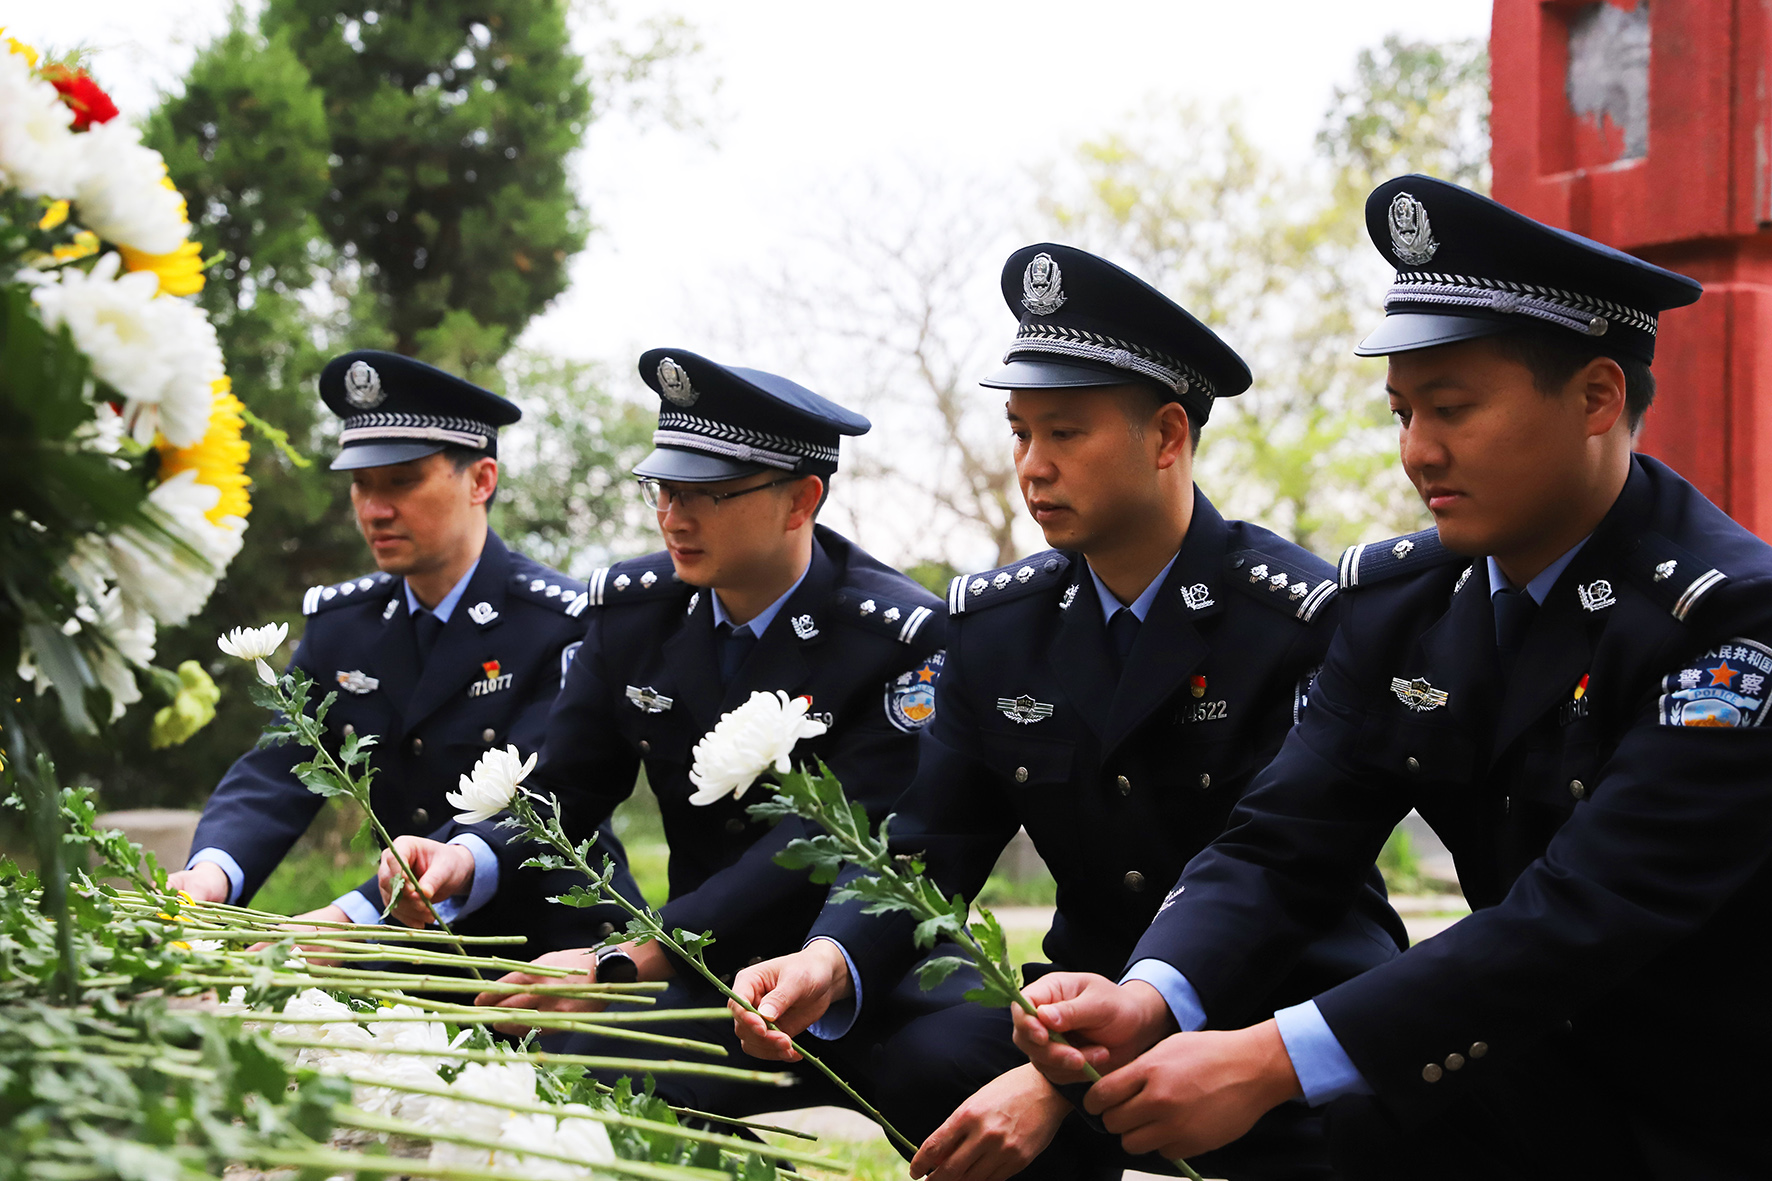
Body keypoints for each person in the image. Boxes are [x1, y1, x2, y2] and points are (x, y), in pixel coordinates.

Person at [1009, 176, 1762, 1180]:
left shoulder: (1725, 616)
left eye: (1451, 409)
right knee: (1375, 1117)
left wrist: (1267, 1058)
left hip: (1723, 1098)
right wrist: (1151, 993)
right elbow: (1284, 839)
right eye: (1402, 411)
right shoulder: (1404, 604)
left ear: (1596, 397)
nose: (1416, 451)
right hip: (1530, 1065)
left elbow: (1585, 909)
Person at [729, 244, 1406, 1181]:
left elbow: (1275, 872)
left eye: (1065, 433)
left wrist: (1064, 1079)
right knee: (924, 1057)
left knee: (1362, 1119)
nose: (1032, 466)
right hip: (1079, 1002)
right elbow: (930, 839)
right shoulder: (1000, 626)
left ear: (1166, 435)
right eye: (1019, 433)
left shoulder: (1291, 616)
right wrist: (829, 957)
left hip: (1274, 1004)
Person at [396, 349, 947, 1116]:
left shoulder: (892, 633)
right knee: (578, 1063)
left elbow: (827, 837)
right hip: (710, 971)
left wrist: (626, 957)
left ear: (801, 500)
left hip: (864, 965)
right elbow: (567, 783)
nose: (672, 516)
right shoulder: (636, 612)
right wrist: (467, 854)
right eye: (663, 488)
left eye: (706, 494)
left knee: (963, 1065)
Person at [170, 350, 640, 953]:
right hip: (412, 955)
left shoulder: (559, 623)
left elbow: (541, 795)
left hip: (559, 954)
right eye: (361, 484)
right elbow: (280, 766)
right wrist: (212, 874)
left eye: (402, 481)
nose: (374, 510)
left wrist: (351, 918)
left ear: (481, 481)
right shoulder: (344, 626)